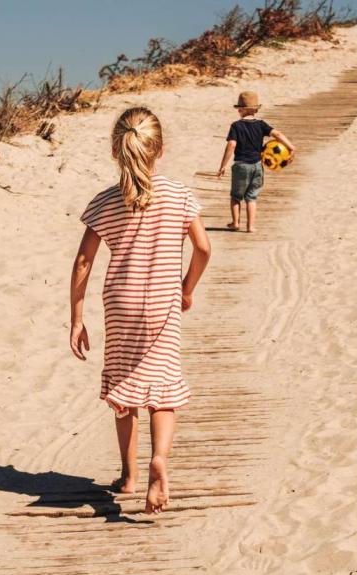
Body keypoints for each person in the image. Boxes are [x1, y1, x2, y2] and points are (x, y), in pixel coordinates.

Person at [70, 107, 211, 515]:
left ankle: (129, 476)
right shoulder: (180, 195)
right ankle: (160, 459)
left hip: (120, 304)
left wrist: (77, 319)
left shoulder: (105, 202)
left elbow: (83, 262)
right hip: (162, 302)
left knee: (123, 388)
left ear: (116, 151)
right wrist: (186, 290)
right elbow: (203, 249)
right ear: (160, 150)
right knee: (162, 387)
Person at [217, 91, 295, 233]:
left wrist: (223, 165)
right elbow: (277, 134)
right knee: (251, 197)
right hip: (258, 166)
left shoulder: (236, 126)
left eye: (239, 109)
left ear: (240, 110)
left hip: (241, 166)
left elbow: (231, 145)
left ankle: (235, 223)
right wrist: (291, 147)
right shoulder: (261, 125)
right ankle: (250, 226)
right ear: (256, 109)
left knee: (236, 196)